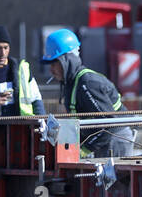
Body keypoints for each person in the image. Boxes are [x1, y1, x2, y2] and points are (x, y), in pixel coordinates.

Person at [41, 28, 134, 157]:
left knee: (111, 177)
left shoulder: (87, 83)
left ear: (66, 61)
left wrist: (83, 150)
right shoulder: (72, 82)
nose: (51, 70)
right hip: (103, 141)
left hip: (115, 140)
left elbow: (109, 124)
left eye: (54, 63)